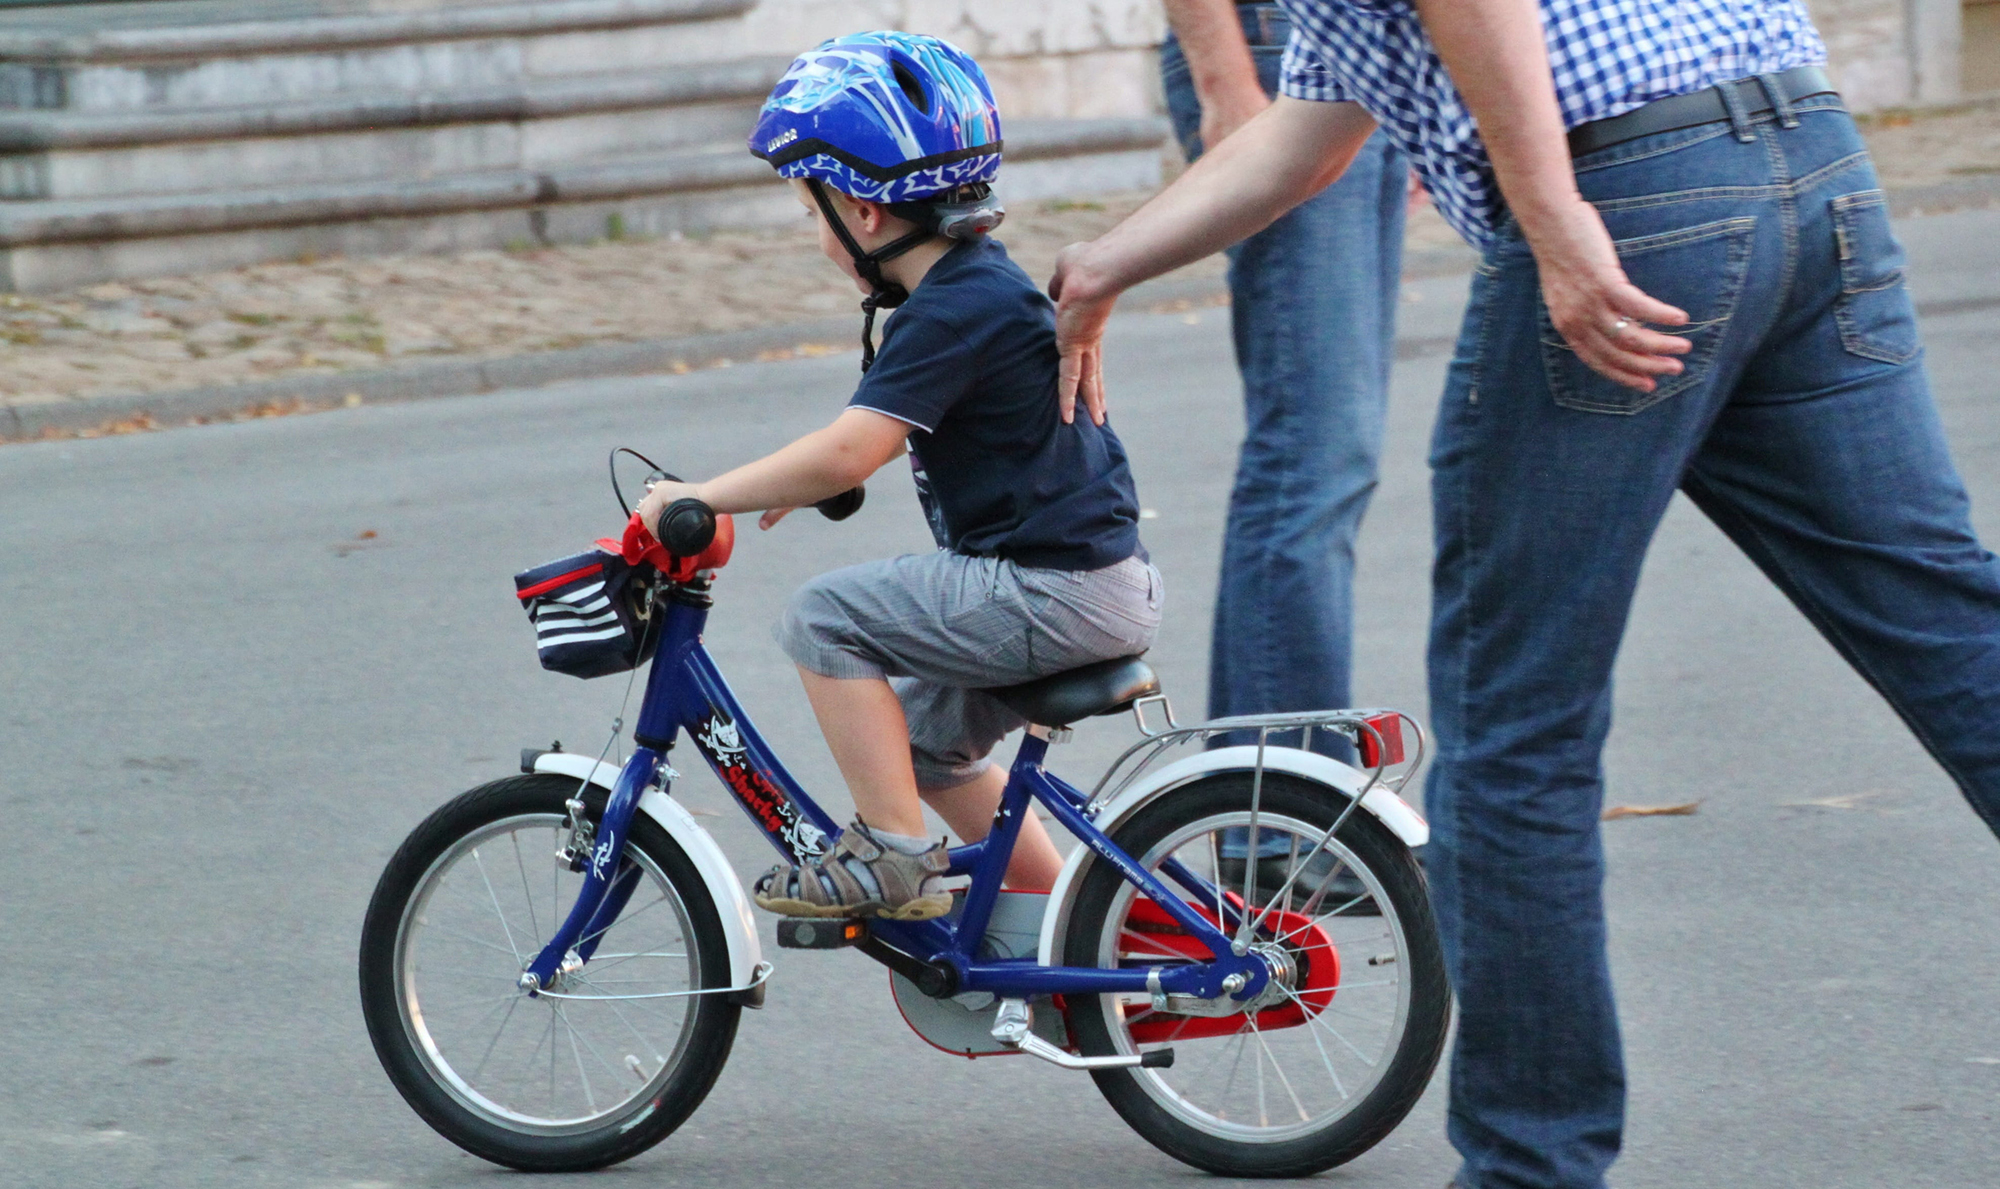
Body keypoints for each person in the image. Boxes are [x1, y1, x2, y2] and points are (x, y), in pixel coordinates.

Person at [1045, 2, 2000, 1187]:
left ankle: (1527, 1167)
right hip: (1808, 161)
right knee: (1949, 630)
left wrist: (1549, 223)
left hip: (1625, 191)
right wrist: (1102, 264)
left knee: (1515, 737)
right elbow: (1312, 134)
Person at [638, 31, 1162, 921]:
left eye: (813, 211)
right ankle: (1063, 919)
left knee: (823, 616)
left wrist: (700, 494)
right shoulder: (971, 291)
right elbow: (868, 443)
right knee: (922, 746)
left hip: (1051, 589)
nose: (817, 232)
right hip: (1089, 582)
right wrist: (798, 483)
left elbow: (852, 449)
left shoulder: (951, 311)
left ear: (863, 212)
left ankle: (890, 852)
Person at [1160, 0, 1405, 755]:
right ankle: (1287, 808)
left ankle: (1260, 802)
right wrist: (1224, 77)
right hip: (1275, 53)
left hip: (1367, 61)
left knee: (1320, 458)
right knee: (1314, 456)